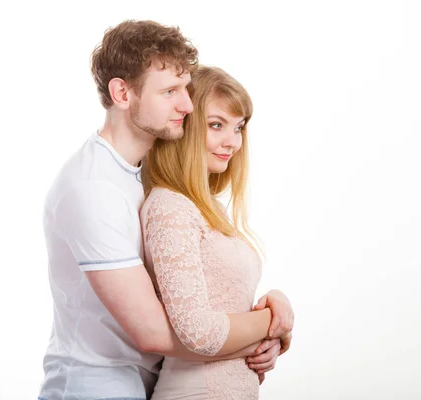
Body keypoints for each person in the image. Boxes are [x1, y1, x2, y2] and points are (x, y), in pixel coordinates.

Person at [38, 20, 292, 400]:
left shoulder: (142, 178)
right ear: (122, 93)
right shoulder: (93, 189)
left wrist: (265, 327)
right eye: (170, 91)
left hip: (142, 384)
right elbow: (154, 333)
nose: (187, 105)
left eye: (186, 89)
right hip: (93, 387)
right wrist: (268, 328)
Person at [140, 65, 293, 400]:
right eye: (216, 125)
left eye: (238, 128)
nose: (233, 142)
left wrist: (273, 306)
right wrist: (275, 323)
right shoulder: (170, 207)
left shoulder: (204, 207)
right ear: (185, 126)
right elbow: (198, 331)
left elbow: (221, 306)